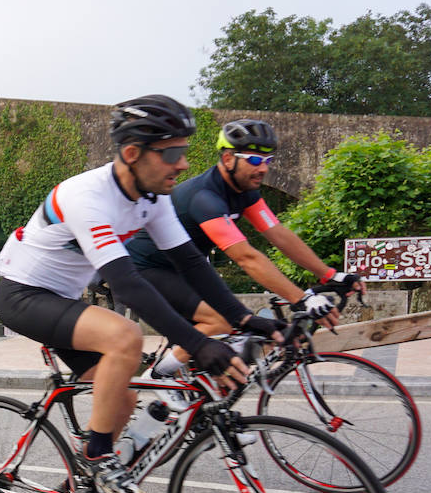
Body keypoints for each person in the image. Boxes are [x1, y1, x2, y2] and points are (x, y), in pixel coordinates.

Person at [0, 95, 279, 493]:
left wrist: (243, 320)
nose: (183, 164)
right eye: (173, 153)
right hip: (23, 294)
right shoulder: (86, 196)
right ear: (132, 153)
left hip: (63, 297)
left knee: (123, 397)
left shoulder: (153, 199)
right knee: (125, 337)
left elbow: (193, 264)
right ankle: (97, 457)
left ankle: (80, 489)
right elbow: (126, 284)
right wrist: (197, 344)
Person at [122, 118, 365, 380]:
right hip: (146, 269)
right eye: (254, 160)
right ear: (228, 159)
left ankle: (194, 398)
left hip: (186, 269)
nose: (263, 168)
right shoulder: (206, 198)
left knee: (228, 360)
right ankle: (156, 379)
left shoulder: (245, 191)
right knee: (219, 322)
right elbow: (246, 257)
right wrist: (302, 298)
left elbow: (279, 235)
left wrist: (330, 275)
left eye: (267, 161)